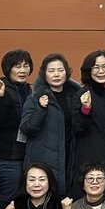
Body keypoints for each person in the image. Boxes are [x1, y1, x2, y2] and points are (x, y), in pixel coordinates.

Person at [21, 53, 81, 196]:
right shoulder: (34, 98)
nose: (56, 74)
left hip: (69, 157)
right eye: (51, 70)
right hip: (43, 159)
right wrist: (40, 109)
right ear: (44, 74)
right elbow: (27, 129)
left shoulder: (75, 96)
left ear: (67, 72)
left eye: (60, 70)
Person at [0, 49, 33, 199]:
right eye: (17, 66)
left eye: (26, 65)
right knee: (9, 201)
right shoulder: (1, 88)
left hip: (24, 156)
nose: (22, 70)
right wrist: (0, 98)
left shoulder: (28, 90)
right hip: (6, 157)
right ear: (8, 69)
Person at [70, 50, 105, 194]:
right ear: (88, 71)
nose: (101, 71)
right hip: (90, 159)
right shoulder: (82, 94)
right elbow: (77, 128)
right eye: (96, 67)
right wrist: (85, 109)